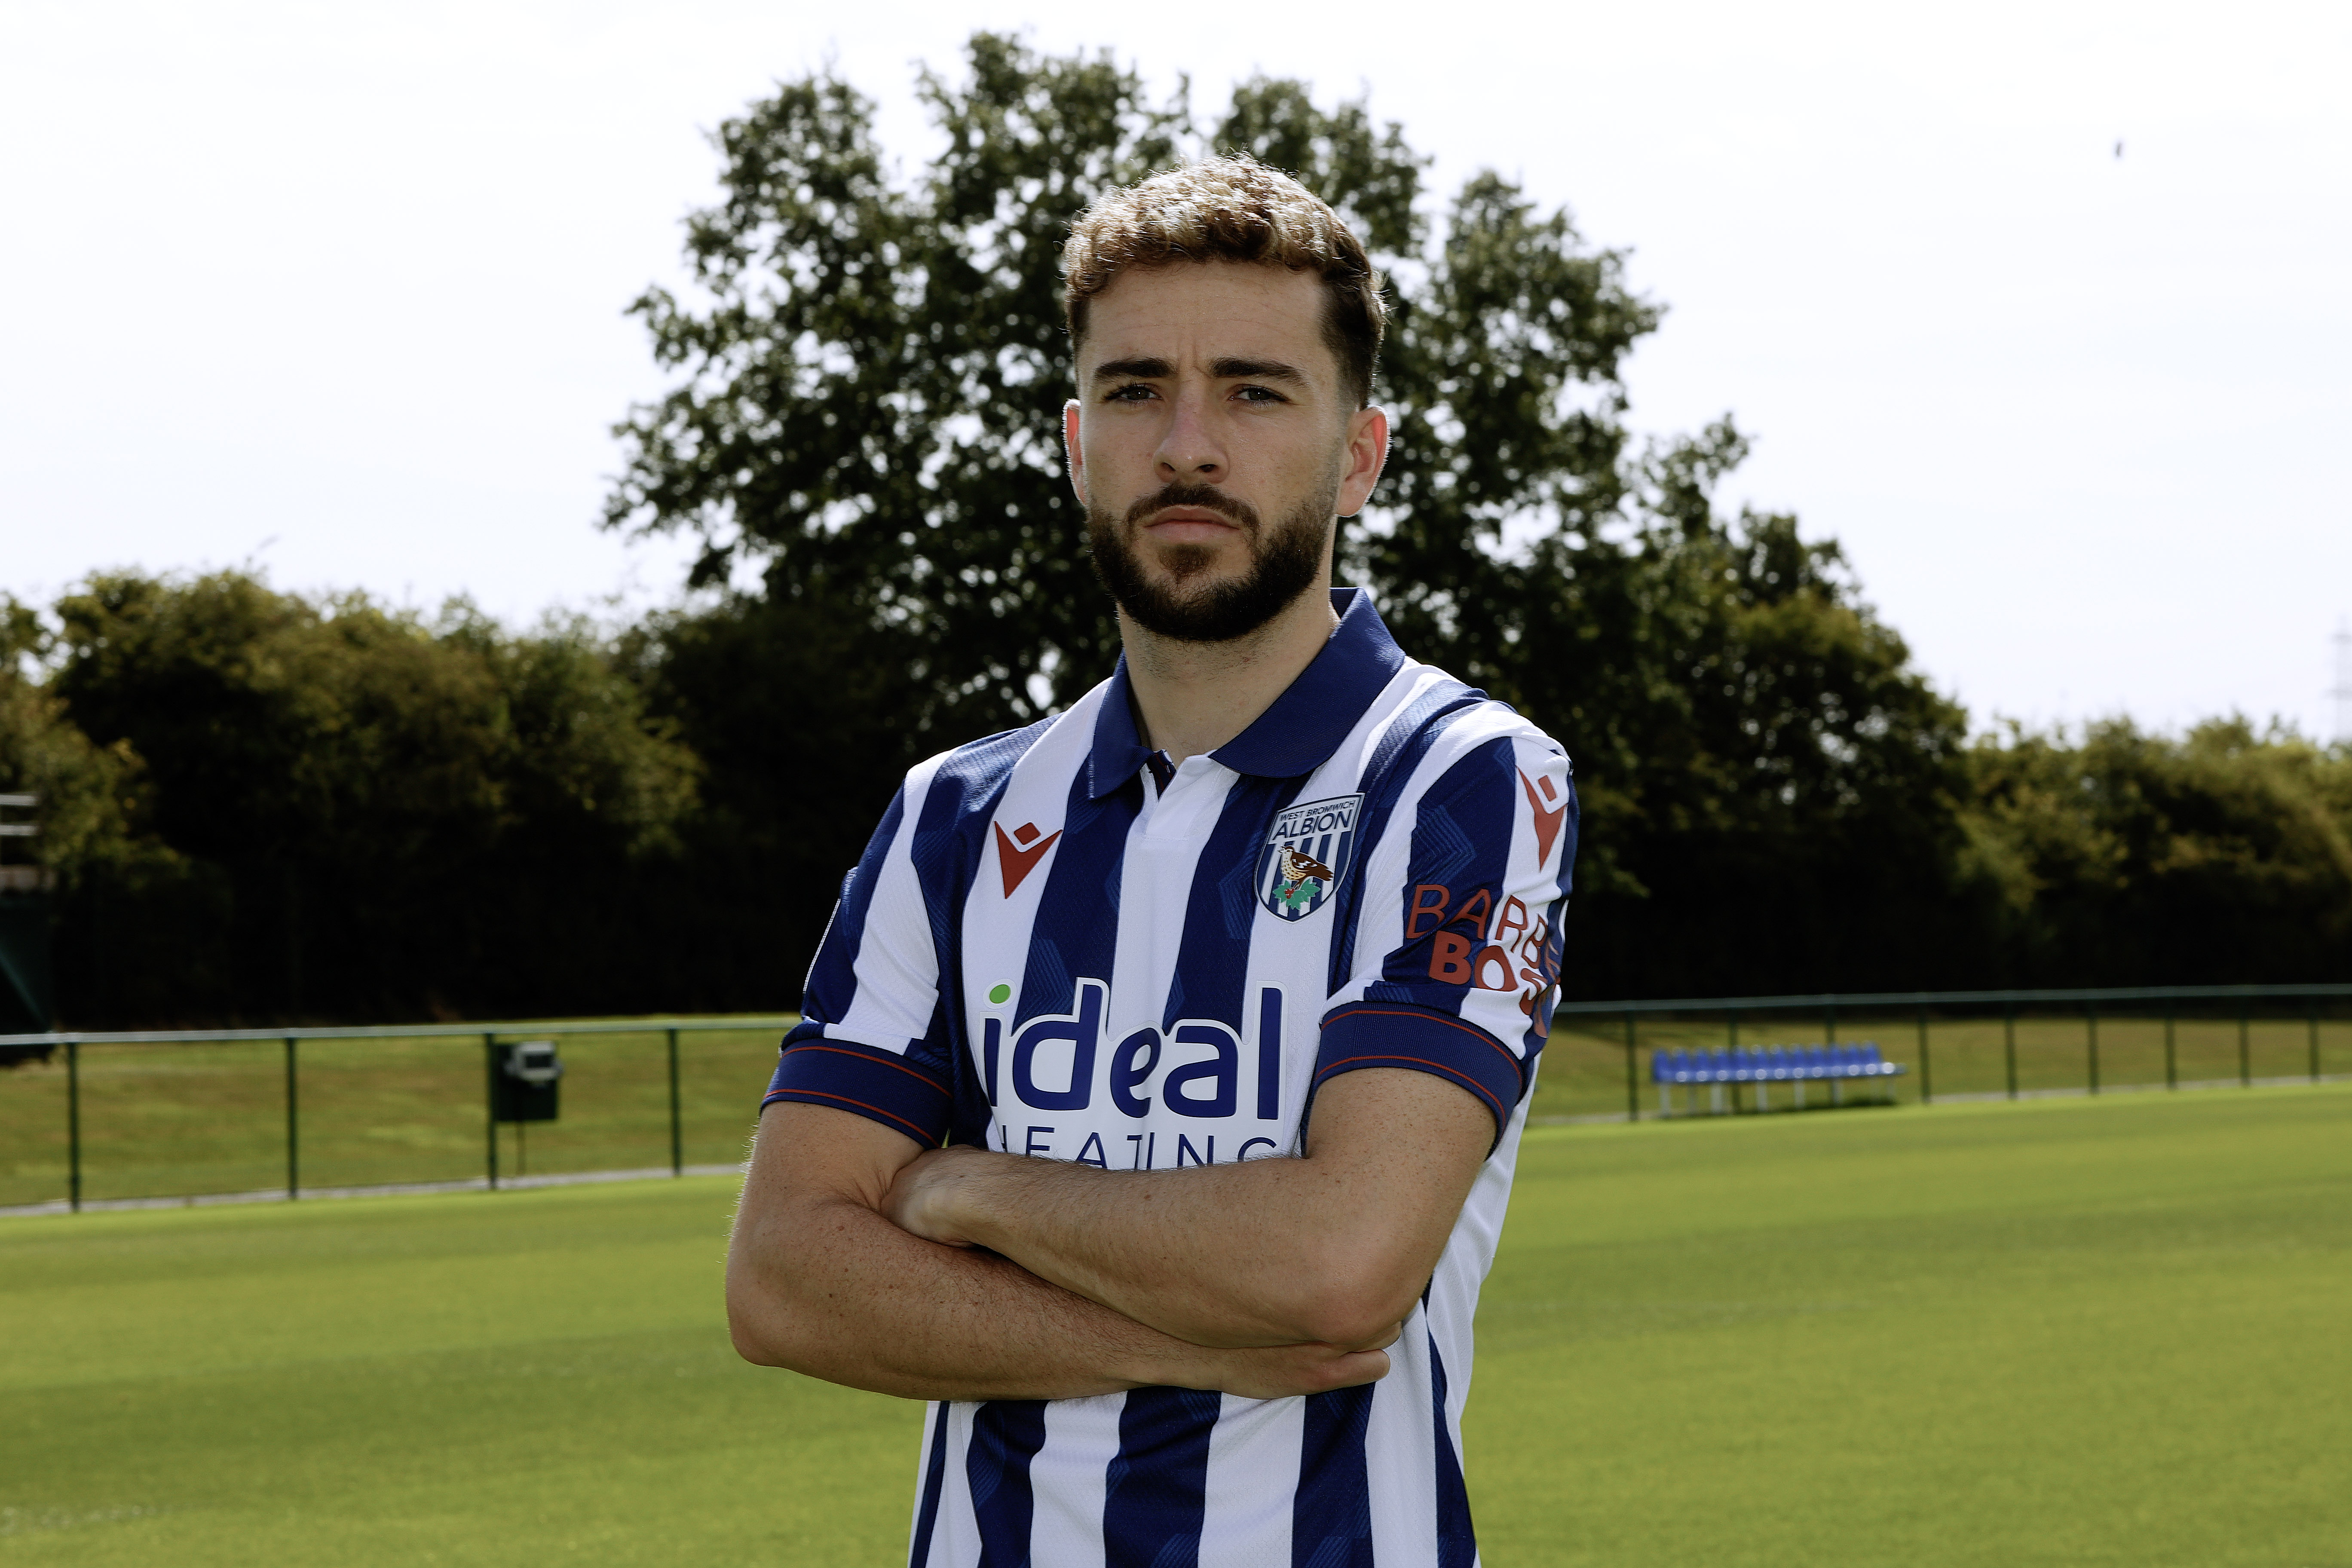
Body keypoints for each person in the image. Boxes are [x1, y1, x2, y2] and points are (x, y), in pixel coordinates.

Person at [726, 155, 1577, 1568]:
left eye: (1253, 390)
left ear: (1359, 453)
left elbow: (1339, 1267)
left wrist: (971, 1188)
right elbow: (785, 1282)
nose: (1188, 444)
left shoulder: (1462, 777)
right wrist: (1186, 1336)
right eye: (1136, 392)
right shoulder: (956, 812)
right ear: (1077, 440)